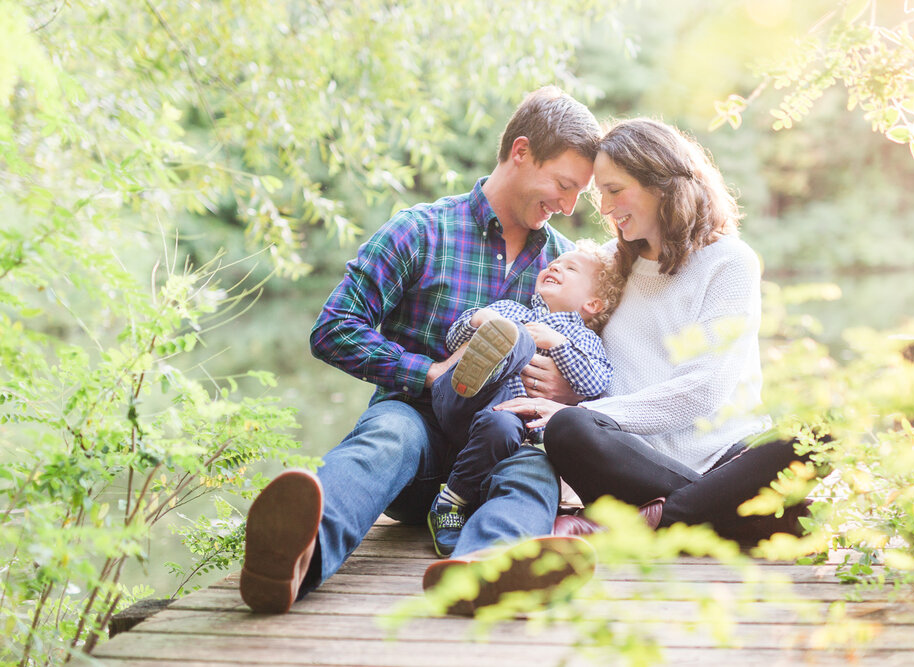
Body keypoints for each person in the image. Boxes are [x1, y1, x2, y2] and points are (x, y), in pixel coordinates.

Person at [239, 87, 603, 615]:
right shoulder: (420, 231)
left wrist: (565, 388)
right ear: (521, 152)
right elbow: (333, 327)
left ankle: (485, 570)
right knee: (387, 436)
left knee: (533, 468)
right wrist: (429, 373)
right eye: (564, 185)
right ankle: (294, 563)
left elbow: (596, 367)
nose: (569, 208)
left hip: (503, 443)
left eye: (578, 195)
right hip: (419, 445)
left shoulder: (565, 265)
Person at [493, 118, 809, 542]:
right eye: (600, 193)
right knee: (568, 430)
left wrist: (592, 411)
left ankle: (658, 520)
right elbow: (556, 327)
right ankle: (731, 517)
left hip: (726, 458)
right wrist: (571, 396)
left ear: (662, 184)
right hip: (627, 466)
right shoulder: (607, 264)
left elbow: (705, 388)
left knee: (819, 430)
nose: (603, 209)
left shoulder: (730, 262)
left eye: (614, 190)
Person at [427, 240, 622, 557]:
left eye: (570, 268)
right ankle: (491, 366)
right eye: (555, 262)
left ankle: (452, 502)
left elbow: (595, 382)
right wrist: (479, 320)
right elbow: (454, 338)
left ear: (593, 304)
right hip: (459, 398)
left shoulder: (582, 339)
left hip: (506, 424)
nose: (555, 266)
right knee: (516, 338)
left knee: (503, 427)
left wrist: (558, 344)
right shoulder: (510, 310)